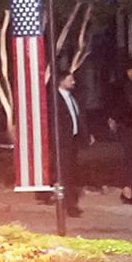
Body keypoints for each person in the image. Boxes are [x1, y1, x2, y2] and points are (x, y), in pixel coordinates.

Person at [55, 67, 85, 216]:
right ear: (61, 82)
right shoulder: (55, 99)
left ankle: (69, 201)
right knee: (65, 173)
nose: (73, 81)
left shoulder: (71, 97)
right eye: (70, 79)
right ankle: (69, 205)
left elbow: (77, 117)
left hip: (71, 140)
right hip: (61, 142)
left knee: (71, 172)